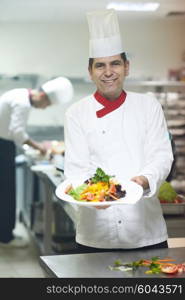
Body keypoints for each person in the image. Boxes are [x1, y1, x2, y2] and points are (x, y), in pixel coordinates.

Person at [64, 9, 174, 253]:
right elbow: (75, 170)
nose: (108, 71)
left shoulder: (148, 105)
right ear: (90, 72)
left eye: (115, 63)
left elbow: (162, 155)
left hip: (145, 230)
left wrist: (145, 179)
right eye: (100, 65)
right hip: (96, 233)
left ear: (127, 67)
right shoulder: (76, 113)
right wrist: (92, 196)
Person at [0, 76, 73, 247]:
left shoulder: (19, 94)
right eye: (47, 104)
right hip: (2, 145)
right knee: (6, 192)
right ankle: (5, 238)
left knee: (4, 191)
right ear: (43, 96)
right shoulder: (23, 102)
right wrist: (39, 147)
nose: (44, 108)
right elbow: (17, 131)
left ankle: (4, 234)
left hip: (3, 143)